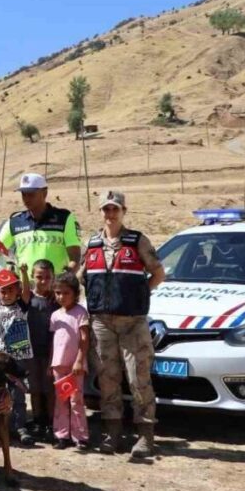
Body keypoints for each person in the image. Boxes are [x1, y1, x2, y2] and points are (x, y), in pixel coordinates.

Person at [80, 190, 165, 459]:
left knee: (138, 379)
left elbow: (158, 272)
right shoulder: (92, 243)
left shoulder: (137, 241)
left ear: (123, 211)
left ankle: (145, 435)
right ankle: (112, 433)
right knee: (107, 379)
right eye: (106, 209)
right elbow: (82, 277)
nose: (110, 214)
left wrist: (139, 295)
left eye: (115, 209)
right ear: (101, 212)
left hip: (132, 323)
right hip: (101, 322)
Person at [0, 267, 35, 446]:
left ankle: (20, 427)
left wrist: (24, 274)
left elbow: (27, 293)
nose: (7, 294)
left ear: (17, 291)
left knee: (17, 392)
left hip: (17, 356)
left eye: (11, 290)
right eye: (3, 291)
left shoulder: (21, 307)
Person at [0, 173, 81, 274]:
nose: (26, 199)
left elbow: (75, 258)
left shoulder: (64, 218)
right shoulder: (15, 221)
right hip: (24, 284)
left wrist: (63, 280)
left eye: (31, 194)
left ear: (44, 193)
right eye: (23, 194)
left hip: (55, 283)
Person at [50, 272, 90, 449]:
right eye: (58, 293)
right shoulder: (55, 315)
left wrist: (79, 360)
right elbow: (54, 341)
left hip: (75, 366)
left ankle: (80, 436)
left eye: (66, 293)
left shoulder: (80, 313)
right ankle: (62, 435)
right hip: (58, 364)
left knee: (76, 400)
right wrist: (50, 363)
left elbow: (84, 338)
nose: (61, 297)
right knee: (61, 400)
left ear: (75, 293)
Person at [25, 259, 60, 442]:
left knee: (50, 388)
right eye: (39, 277)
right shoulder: (28, 297)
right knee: (35, 388)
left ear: (53, 278)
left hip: (51, 350)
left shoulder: (56, 299)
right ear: (33, 277)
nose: (43, 281)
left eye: (48, 277)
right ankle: (38, 420)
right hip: (32, 350)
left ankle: (52, 423)